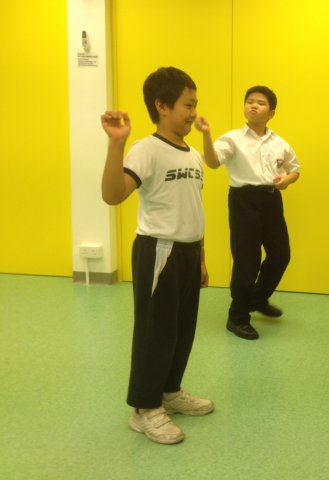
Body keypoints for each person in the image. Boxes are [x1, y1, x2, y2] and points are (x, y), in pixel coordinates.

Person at [101, 66, 214, 445]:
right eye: (188, 105)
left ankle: (169, 392)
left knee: (181, 330)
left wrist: (200, 257)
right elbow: (113, 194)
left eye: (195, 104)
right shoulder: (145, 150)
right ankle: (144, 408)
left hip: (188, 252)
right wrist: (116, 144)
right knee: (156, 332)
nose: (193, 112)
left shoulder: (193, 155)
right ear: (162, 105)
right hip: (159, 251)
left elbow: (193, 208)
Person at [196, 86, 300, 340]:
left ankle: (257, 298)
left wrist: (286, 180)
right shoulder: (233, 139)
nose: (254, 105)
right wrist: (207, 135)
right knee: (247, 261)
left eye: (261, 103)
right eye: (250, 101)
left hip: (272, 199)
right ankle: (238, 316)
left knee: (281, 254)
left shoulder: (279, 142)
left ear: (271, 113)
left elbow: (295, 169)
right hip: (243, 201)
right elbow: (212, 162)